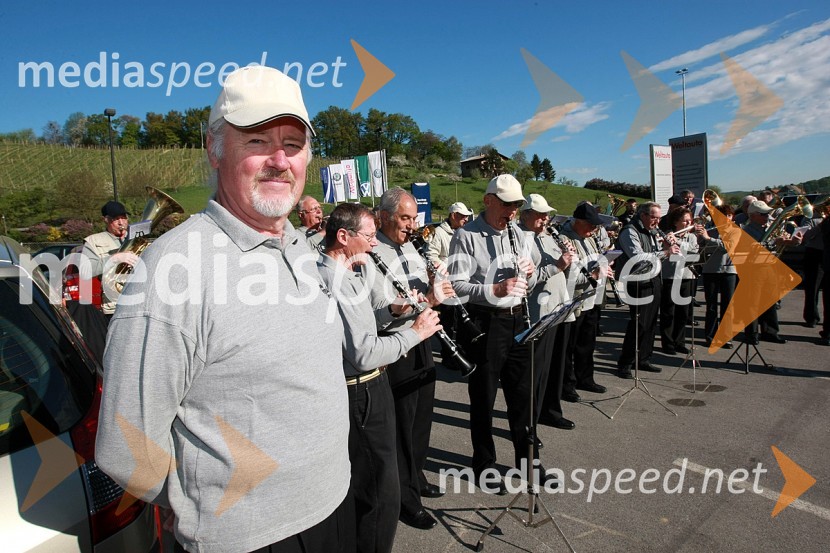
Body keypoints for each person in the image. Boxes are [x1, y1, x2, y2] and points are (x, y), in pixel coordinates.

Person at [96, 66, 354, 553]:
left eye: (294, 145)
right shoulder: (171, 270)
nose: (280, 160)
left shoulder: (299, 246)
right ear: (215, 149)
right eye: (257, 140)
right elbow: (124, 446)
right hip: (250, 540)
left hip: (334, 508)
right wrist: (191, 499)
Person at [318, 202, 441, 553]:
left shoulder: (346, 271)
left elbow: (365, 323)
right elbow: (364, 352)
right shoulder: (335, 280)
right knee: (380, 496)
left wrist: (393, 309)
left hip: (370, 385)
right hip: (361, 391)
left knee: (375, 489)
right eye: (370, 237)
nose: (375, 244)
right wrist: (415, 333)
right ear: (343, 237)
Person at [448, 174, 555, 492]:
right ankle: (483, 465)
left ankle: (529, 464)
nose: (511, 212)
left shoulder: (518, 234)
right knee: (483, 397)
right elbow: (456, 286)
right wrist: (494, 287)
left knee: (523, 397)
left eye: (516, 205)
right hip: (487, 322)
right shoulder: (466, 236)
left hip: (518, 318)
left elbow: (527, 285)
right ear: (488, 200)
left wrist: (531, 274)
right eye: (507, 204)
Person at [368, 187, 453, 530]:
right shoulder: (373, 252)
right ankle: (404, 498)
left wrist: (436, 284)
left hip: (423, 335)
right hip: (396, 342)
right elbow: (374, 312)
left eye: (414, 218)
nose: (411, 225)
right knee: (402, 425)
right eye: (405, 218)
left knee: (421, 418)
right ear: (385, 216)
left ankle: (414, 477)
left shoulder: (414, 248)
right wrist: (426, 300)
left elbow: (424, 294)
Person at [518, 194, 575, 434]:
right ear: (526, 215)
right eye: (540, 215)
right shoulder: (521, 240)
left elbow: (564, 271)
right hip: (538, 312)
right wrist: (558, 265)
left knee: (555, 367)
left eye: (547, 215)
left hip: (560, 308)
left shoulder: (550, 236)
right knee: (535, 374)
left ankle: (550, 411)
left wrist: (572, 262)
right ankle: (528, 425)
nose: (545, 219)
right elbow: (528, 281)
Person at [615, 201, 680, 378]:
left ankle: (643, 358)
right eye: (654, 218)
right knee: (639, 323)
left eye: (659, 218)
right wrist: (665, 252)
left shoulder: (651, 231)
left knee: (651, 323)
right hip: (636, 282)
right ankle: (625, 363)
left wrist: (667, 248)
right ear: (643, 215)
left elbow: (656, 258)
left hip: (653, 279)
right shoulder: (630, 231)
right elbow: (639, 258)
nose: (657, 222)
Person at [559, 203, 612, 396]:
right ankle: (567, 384)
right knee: (569, 346)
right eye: (591, 225)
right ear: (579, 222)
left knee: (587, 343)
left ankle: (585, 378)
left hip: (591, 297)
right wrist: (596, 274)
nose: (595, 229)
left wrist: (605, 265)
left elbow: (594, 260)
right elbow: (570, 273)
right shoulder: (564, 239)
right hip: (574, 298)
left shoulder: (588, 238)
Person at [740, 200, 797, 344]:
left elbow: (777, 243)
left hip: (770, 266)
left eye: (767, 213)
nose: (767, 216)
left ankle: (770, 332)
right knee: (753, 302)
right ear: (753, 215)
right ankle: (751, 334)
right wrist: (774, 242)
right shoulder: (746, 230)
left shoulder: (770, 227)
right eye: (763, 214)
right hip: (754, 268)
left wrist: (791, 242)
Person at [80, 200, 133, 320]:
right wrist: (115, 259)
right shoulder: (93, 241)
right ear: (106, 220)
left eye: (123, 218)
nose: (121, 223)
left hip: (140, 301)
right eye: (116, 219)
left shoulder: (136, 238)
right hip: (115, 307)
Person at [659, 207, 699, 355]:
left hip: (687, 276)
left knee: (683, 312)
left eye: (690, 220)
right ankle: (668, 343)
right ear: (676, 222)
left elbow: (694, 251)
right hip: (670, 276)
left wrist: (680, 242)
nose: (689, 222)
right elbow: (662, 252)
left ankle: (679, 341)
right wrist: (668, 242)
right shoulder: (667, 235)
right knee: (669, 311)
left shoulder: (692, 237)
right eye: (685, 220)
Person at [697, 204, 737, 349]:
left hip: (729, 271)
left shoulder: (736, 231)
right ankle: (710, 336)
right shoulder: (710, 229)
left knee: (727, 306)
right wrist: (699, 237)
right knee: (711, 306)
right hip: (710, 270)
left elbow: (727, 247)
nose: (726, 218)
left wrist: (708, 239)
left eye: (729, 215)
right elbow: (700, 248)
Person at [426, 201, 473, 266]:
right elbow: (431, 256)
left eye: (467, 216)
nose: (466, 219)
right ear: (453, 215)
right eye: (463, 216)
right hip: (445, 275)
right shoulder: (438, 233)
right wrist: (447, 270)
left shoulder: (465, 233)